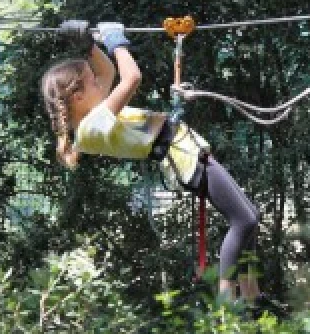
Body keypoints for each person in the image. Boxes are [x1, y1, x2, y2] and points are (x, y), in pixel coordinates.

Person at [40, 20, 262, 302]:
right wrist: (115, 41)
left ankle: (253, 296)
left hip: (185, 152)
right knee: (244, 220)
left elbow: (108, 70)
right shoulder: (92, 126)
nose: (99, 81)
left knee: (250, 219)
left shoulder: (94, 115)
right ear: (78, 96)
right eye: (93, 81)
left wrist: (90, 47)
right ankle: (227, 303)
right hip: (183, 158)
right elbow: (131, 77)